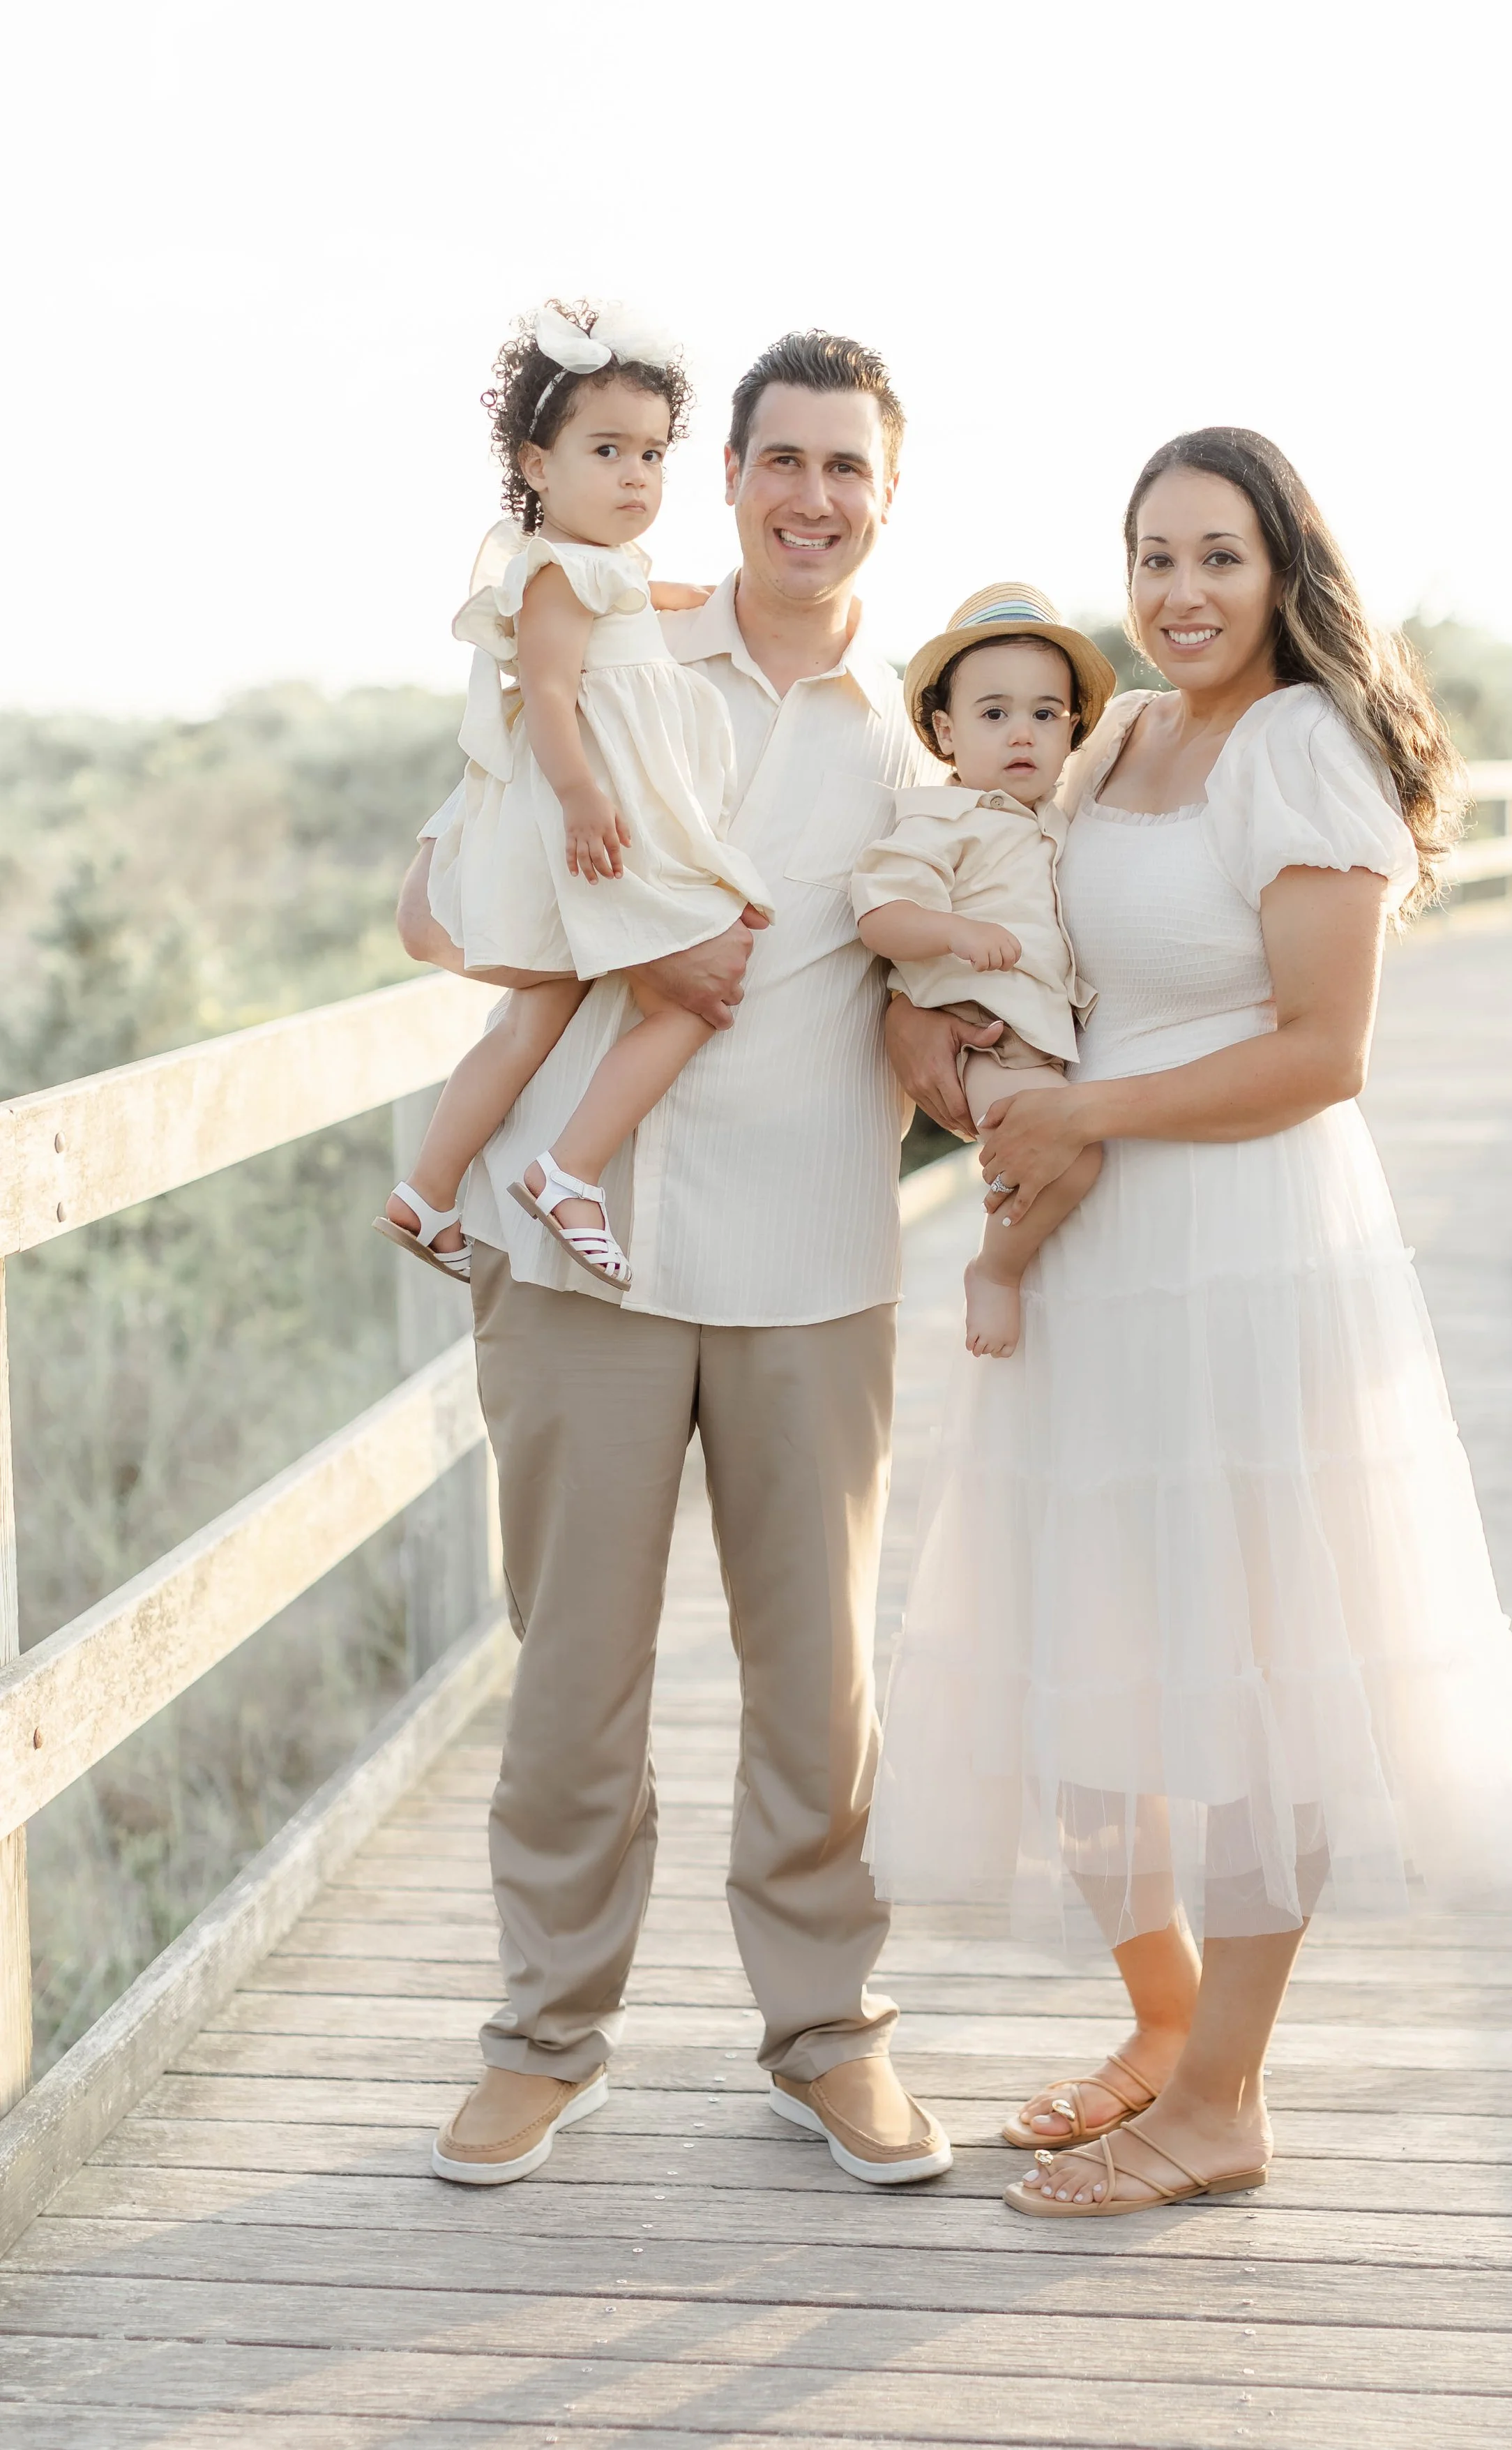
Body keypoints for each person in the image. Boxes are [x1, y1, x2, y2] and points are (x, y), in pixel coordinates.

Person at [868, 427, 1512, 2219]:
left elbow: (1323, 1052)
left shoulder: (1300, 747)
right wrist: (934, 1037)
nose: (1180, 593)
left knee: (1263, 1666)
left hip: (1245, 1246)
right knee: (1081, 1635)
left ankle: (1221, 2101)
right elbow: (995, 902)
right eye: (1154, 558)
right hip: (1089, 1246)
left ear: (1282, 571)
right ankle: (1162, 2024)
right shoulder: (1115, 735)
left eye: (1217, 557)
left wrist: (1085, 1111)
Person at [398, 331, 960, 2191]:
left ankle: (827, 2038)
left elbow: (946, 976)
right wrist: (627, 945)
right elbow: (431, 910)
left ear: (888, 495)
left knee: (819, 1686)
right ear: (726, 476)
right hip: (586, 1257)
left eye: (847, 467)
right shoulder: (610, 643)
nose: (812, 496)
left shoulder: (916, 738)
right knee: (573, 1673)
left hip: (816, 1257)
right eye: (780, 458)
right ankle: (544, 2039)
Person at [375, 300, 771, 1293]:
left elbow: (631, 601)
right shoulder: (554, 573)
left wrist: (686, 597)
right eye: (607, 451)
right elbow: (549, 691)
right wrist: (584, 794)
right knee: (700, 985)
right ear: (537, 465)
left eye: (652, 454)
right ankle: (570, 1171)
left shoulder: (602, 567)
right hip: (591, 820)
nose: (636, 475)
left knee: (536, 1016)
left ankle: (427, 1191)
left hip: (589, 819)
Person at [853, 585, 1113, 1356]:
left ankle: (1012, 1267)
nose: (1021, 733)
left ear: (1072, 729)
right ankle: (995, 1271)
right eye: (993, 714)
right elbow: (879, 914)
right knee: (1072, 1159)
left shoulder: (1054, 819)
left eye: (1045, 714)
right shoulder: (939, 819)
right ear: (946, 730)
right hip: (985, 1036)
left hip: (1038, 1037)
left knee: (1060, 1156)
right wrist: (955, 931)